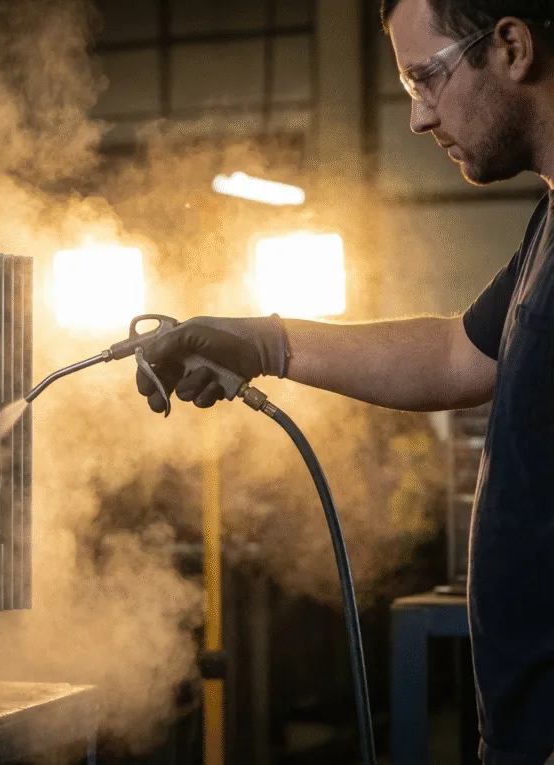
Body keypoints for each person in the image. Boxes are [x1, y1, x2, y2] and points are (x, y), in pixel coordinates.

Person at [138, 1, 554, 763]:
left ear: (513, 47)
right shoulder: (548, 229)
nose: (418, 119)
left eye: (427, 79)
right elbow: (455, 355)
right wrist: (266, 341)